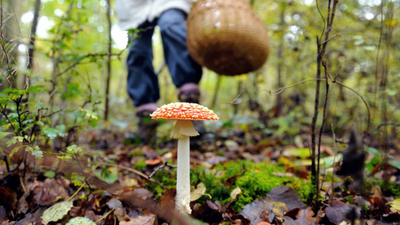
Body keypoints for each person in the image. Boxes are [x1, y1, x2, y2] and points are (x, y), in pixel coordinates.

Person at [116, 0, 203, 145]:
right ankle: (146, 119)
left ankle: (191, 109)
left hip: (171, 2)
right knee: (137, 51)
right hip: (136, 8)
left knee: (171, 25)